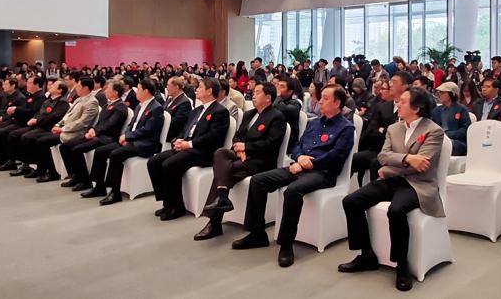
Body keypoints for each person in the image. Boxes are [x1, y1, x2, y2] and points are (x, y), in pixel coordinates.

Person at [233, 85, 354, 268]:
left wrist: (309, 163)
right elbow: (297, 146)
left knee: (292, 191)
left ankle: (286, 244)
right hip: (298, 166)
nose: (320, 101)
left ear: (337, 103)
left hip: (322, 173)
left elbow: (336, 156)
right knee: (258, 181)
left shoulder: (346, 128)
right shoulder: (314, 123)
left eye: (325, 98)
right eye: (321, 97)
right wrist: (299, 158)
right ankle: (257, 233)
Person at [339, 87, 444, 291]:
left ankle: (402, 266)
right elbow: (382, 156)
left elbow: (422, 165)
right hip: (393, 180)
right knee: (351, 201)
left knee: (396, 210)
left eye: (403, 101)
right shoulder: (394, 128)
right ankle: (366, 254)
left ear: (417, 107)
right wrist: (407, 158)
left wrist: (389, 169)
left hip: (418, 184)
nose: (398, 104)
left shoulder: (434, 131)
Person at [194, 82, 287, 241]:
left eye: (257, 92)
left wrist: (247, 147)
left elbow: (271, 144)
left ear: (268, 97)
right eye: (254, 92)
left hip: (260, 161)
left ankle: (215, 220)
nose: (253, 95)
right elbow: (237, 135)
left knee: (224, 171)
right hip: (242, 155)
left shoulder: (276, 117)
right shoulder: (249, 114)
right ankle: (222, 198)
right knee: (220, 153)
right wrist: (240, 147)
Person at [148, 78, 230, 221]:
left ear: (209, 91)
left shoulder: (220, 111)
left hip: (203, 152)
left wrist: (189, 144)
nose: (196, 90)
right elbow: (185, 129)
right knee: (154, 162)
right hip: (188, 147)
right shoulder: (197, 109)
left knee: (169, 164)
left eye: (200, 87)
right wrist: (179, 140)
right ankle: (167, 201)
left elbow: (213, 137)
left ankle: (177, 206)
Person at [80, 78, 166, 205]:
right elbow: (131, 125)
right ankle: (99, 186)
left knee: (115, 154)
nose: (136, 92)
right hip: (132, 140)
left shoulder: (156, 108)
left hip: (145, 143)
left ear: (146, 91)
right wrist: (126, 135)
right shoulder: (139, 106)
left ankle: (115, 192)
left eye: (139, 89)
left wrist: (128, 137)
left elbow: (148, 130)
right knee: (100, 151)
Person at [21, 77, 100, 182]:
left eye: (78, 86)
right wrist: (58, 125)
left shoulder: (92, 102)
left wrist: (63, 129)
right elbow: (67, 116)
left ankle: (52, 172)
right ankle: (51, 171)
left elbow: (83, 122)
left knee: (43, 141)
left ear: (85, 88)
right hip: (66, 129)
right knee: (38, 139)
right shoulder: (78, 99)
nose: (76, 88)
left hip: (77, 132)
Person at [59, 80, 129, 190]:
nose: (105, 91)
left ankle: (85, 180)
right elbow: (99, 123)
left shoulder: (120, 107)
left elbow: (110, 125)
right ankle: (76, 175)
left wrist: (95, 132)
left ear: (115, 92)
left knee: (77, 149)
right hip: (97, 135)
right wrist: (92, 129)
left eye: (108, 89)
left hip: (107, 138)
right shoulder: (107, 105)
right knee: (65, 146)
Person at [353, 72, 410, 184]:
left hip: (400, 153)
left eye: (394, 82)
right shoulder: (382, 107)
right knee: (354, 159)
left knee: (376, 163)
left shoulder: (411, 108)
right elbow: (373, 131)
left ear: (405, 86)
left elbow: (404, 133)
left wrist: (384, 129)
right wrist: (386, 131)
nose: (390, 84)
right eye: (390, 82)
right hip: (379, 148)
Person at [7, 82, 71, 176]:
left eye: (53, 85)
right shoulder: (48, 100)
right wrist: (34, 118)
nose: (50, 86)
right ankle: (28, 165)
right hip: (40, 125)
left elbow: (54, 117)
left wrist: (37, 120)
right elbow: (39, 112)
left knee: (29, 137)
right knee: (19, 135)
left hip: (49, 127)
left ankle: (39, 167)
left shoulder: (63, 102)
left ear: (59, 90)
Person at [0, 77, 47, 171]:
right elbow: (24, 108)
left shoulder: (40, 97)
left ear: (37, 85)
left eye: (29, 83)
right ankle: (5, 158)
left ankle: (15, 161)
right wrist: (14, 111)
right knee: (0, 131)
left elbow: (32, 111)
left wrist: (16, 109)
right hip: (21, 120)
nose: (27, 85)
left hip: (29, 123)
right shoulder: (31, 95)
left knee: (12, 134)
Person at [431, 82, 471, 155]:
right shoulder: (436, 110)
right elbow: (432, 127)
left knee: (445, 145)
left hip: (457, 141)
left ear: (451, 94)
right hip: (439, 139)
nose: (439, 94)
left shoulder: (462, 109)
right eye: (439, 92)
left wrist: (447, 135)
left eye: (442, 92)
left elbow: (465, 129)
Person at [274, 77, 303, 152]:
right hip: (274, 136)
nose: (278, 88)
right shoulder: (274, 101)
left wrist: (277, 97)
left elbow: (283, 109)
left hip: (287, 141)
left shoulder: (295, 104)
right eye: (277, 85)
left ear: (290, 91)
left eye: (282, 86)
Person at [163, 76, 193, 143]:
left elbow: (176, 123)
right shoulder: (170, 98)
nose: (166, 88)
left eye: (168, 85)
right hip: (163, 131)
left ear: (176, 87)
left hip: (171, 136)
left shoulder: (185, 103)